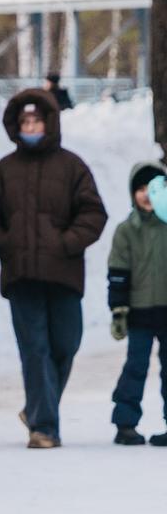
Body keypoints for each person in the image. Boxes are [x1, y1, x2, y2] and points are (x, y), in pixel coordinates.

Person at [0, 90, 106, 448]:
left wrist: (66, 243)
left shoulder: (72, 166)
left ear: (49, 123)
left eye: (36, 121)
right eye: (25, 122)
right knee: (35, 350)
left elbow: (94, 213)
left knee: (65, 344)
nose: (30, 127)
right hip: (22, 276)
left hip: (63, 275)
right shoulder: (5, 169)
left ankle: (36, 409)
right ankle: (44, 428)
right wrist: (7, 244)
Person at [107, 160, 167, 446]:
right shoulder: (126, 230)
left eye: (153, 189)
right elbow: (118, 273)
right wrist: (119, 311)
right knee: (135, 366)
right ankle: (125, 422)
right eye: (140, 189)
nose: (146, 195)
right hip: (140, 312)